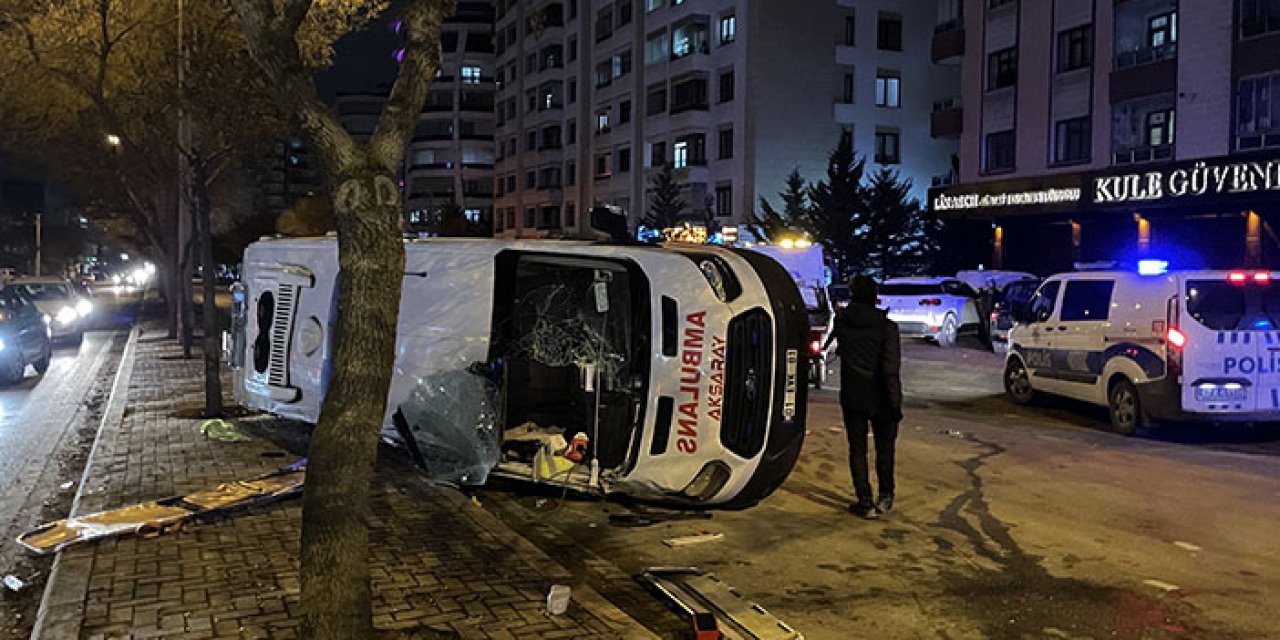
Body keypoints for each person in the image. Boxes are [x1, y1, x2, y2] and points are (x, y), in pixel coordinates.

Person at [823, 275, 903, 519]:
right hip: (881, 395)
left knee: (857, 448)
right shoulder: (887, 326)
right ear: (874, 296)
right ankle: (885, 496)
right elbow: (890, 368)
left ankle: (864, 501)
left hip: (853, 394)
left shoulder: (843, 321)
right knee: (885, 448)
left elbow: (831, 347)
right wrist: (895, 401)